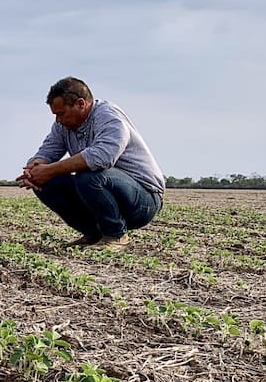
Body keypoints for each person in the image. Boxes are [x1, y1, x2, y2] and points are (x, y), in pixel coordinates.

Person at [17, 77, 164, 251]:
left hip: (143, 199)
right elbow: (47, 151)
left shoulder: (108, 116)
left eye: (61, 113)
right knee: (46, 183)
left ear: (80, 104)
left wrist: (49, 170)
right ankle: (94, 235)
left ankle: (116, 235)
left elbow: (102, 157)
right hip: (108, 190)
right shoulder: (63, 127)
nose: (58, 120)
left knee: (88, 175)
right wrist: (34, 169)